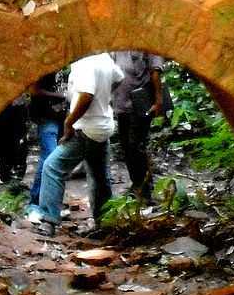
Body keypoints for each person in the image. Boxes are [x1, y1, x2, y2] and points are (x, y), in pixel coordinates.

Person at [36, 53, 124, 235]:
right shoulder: (104, 57)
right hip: (103, 126)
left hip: (86, 127)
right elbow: (119, 78)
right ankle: (105, 224)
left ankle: (48, 220)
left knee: (52, 167)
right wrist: (104, 97)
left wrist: (69, 122)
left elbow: (86, 95)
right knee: (99, 176)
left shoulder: (85, 63)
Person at [111, 51, 165, 202]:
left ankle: (145, 189)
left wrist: (158, 100)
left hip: (140, 104)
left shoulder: (147, 46)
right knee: (126, 147)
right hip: (121, 105)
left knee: (136, 145)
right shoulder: (118, 47)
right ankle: (137, 185)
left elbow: (155, 71)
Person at [27, 68, 68, 210]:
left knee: (57, 159)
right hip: (46, 117)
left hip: (61, 117)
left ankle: (52, 200)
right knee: (49, 157)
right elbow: (33, 90)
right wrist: (60, 95)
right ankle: (36, 201)